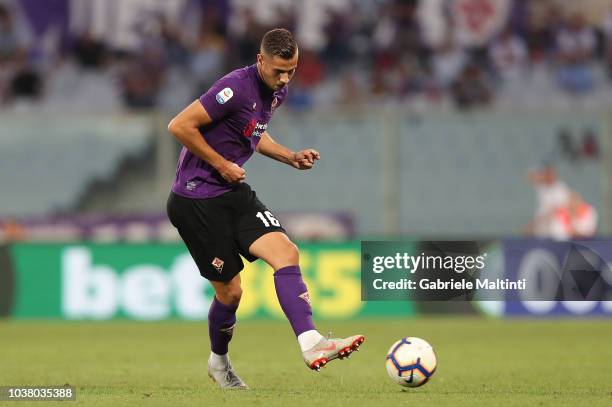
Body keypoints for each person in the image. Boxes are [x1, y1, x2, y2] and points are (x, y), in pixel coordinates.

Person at [166, 28, 364, 390]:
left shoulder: (277, 91)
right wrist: (221, 163)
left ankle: (311, 343)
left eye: (291, 70)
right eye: (278, 71)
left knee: (286, 253)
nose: (285, 78)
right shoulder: (235, 87)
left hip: (232, 191)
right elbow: (179, 125)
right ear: (260, 60)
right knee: (231, 293)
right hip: (196, 200)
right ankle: (219, 363)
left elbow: (253, 134)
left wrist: (290, 156)